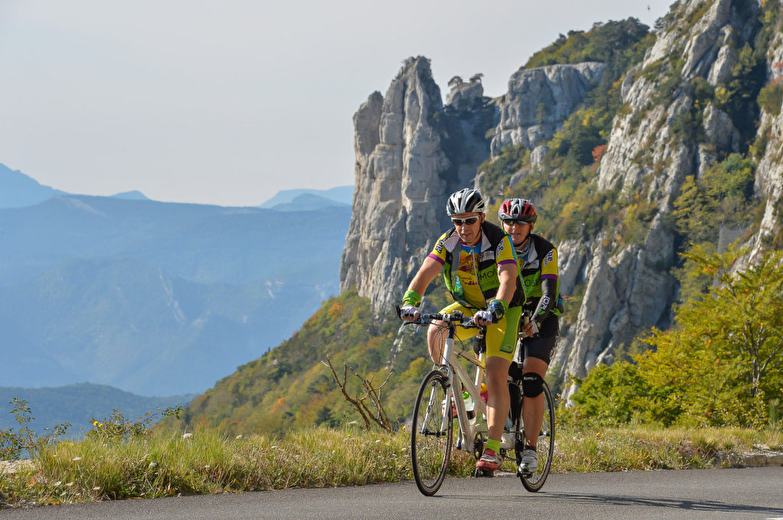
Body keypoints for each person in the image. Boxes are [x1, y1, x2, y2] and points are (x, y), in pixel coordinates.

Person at [399, 187, 526, 473]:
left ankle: (492, 450)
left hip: (503, 309)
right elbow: (425, 273)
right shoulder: (448, 241)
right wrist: (410, 301)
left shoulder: (499, 240)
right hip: (469, 306)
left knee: (495, 375)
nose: (463, 227)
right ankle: (455, 391)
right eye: (457, 221)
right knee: (436, 329)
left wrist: (497, 308)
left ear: (481, 217)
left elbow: (507, 279)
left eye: (469, 220)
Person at [497, 198, 561, 474]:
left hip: (540, 316)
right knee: (494, 373)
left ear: (531, 225)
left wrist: (535, 322)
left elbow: (549, 293)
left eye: (521, 222)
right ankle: (498, 436)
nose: (514, 227)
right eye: (509, 222)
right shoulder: (494, 248)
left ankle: (531, 450)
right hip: (506, 315)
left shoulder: (545, 251)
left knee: (532, 380)